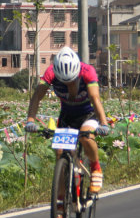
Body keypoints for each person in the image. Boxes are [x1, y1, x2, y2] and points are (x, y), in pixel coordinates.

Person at [24, 46, 111, 196]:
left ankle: (96, 168)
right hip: (67, 115)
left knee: (86, 136)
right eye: (64, 83)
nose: (69, 85)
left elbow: (95, 99)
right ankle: (60, 205)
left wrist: (104, 123)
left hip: (88, 114)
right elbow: (37, 97)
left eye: (71, 81)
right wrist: (31, 120)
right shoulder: (50, 73)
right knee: (59, 153)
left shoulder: (87, 71)